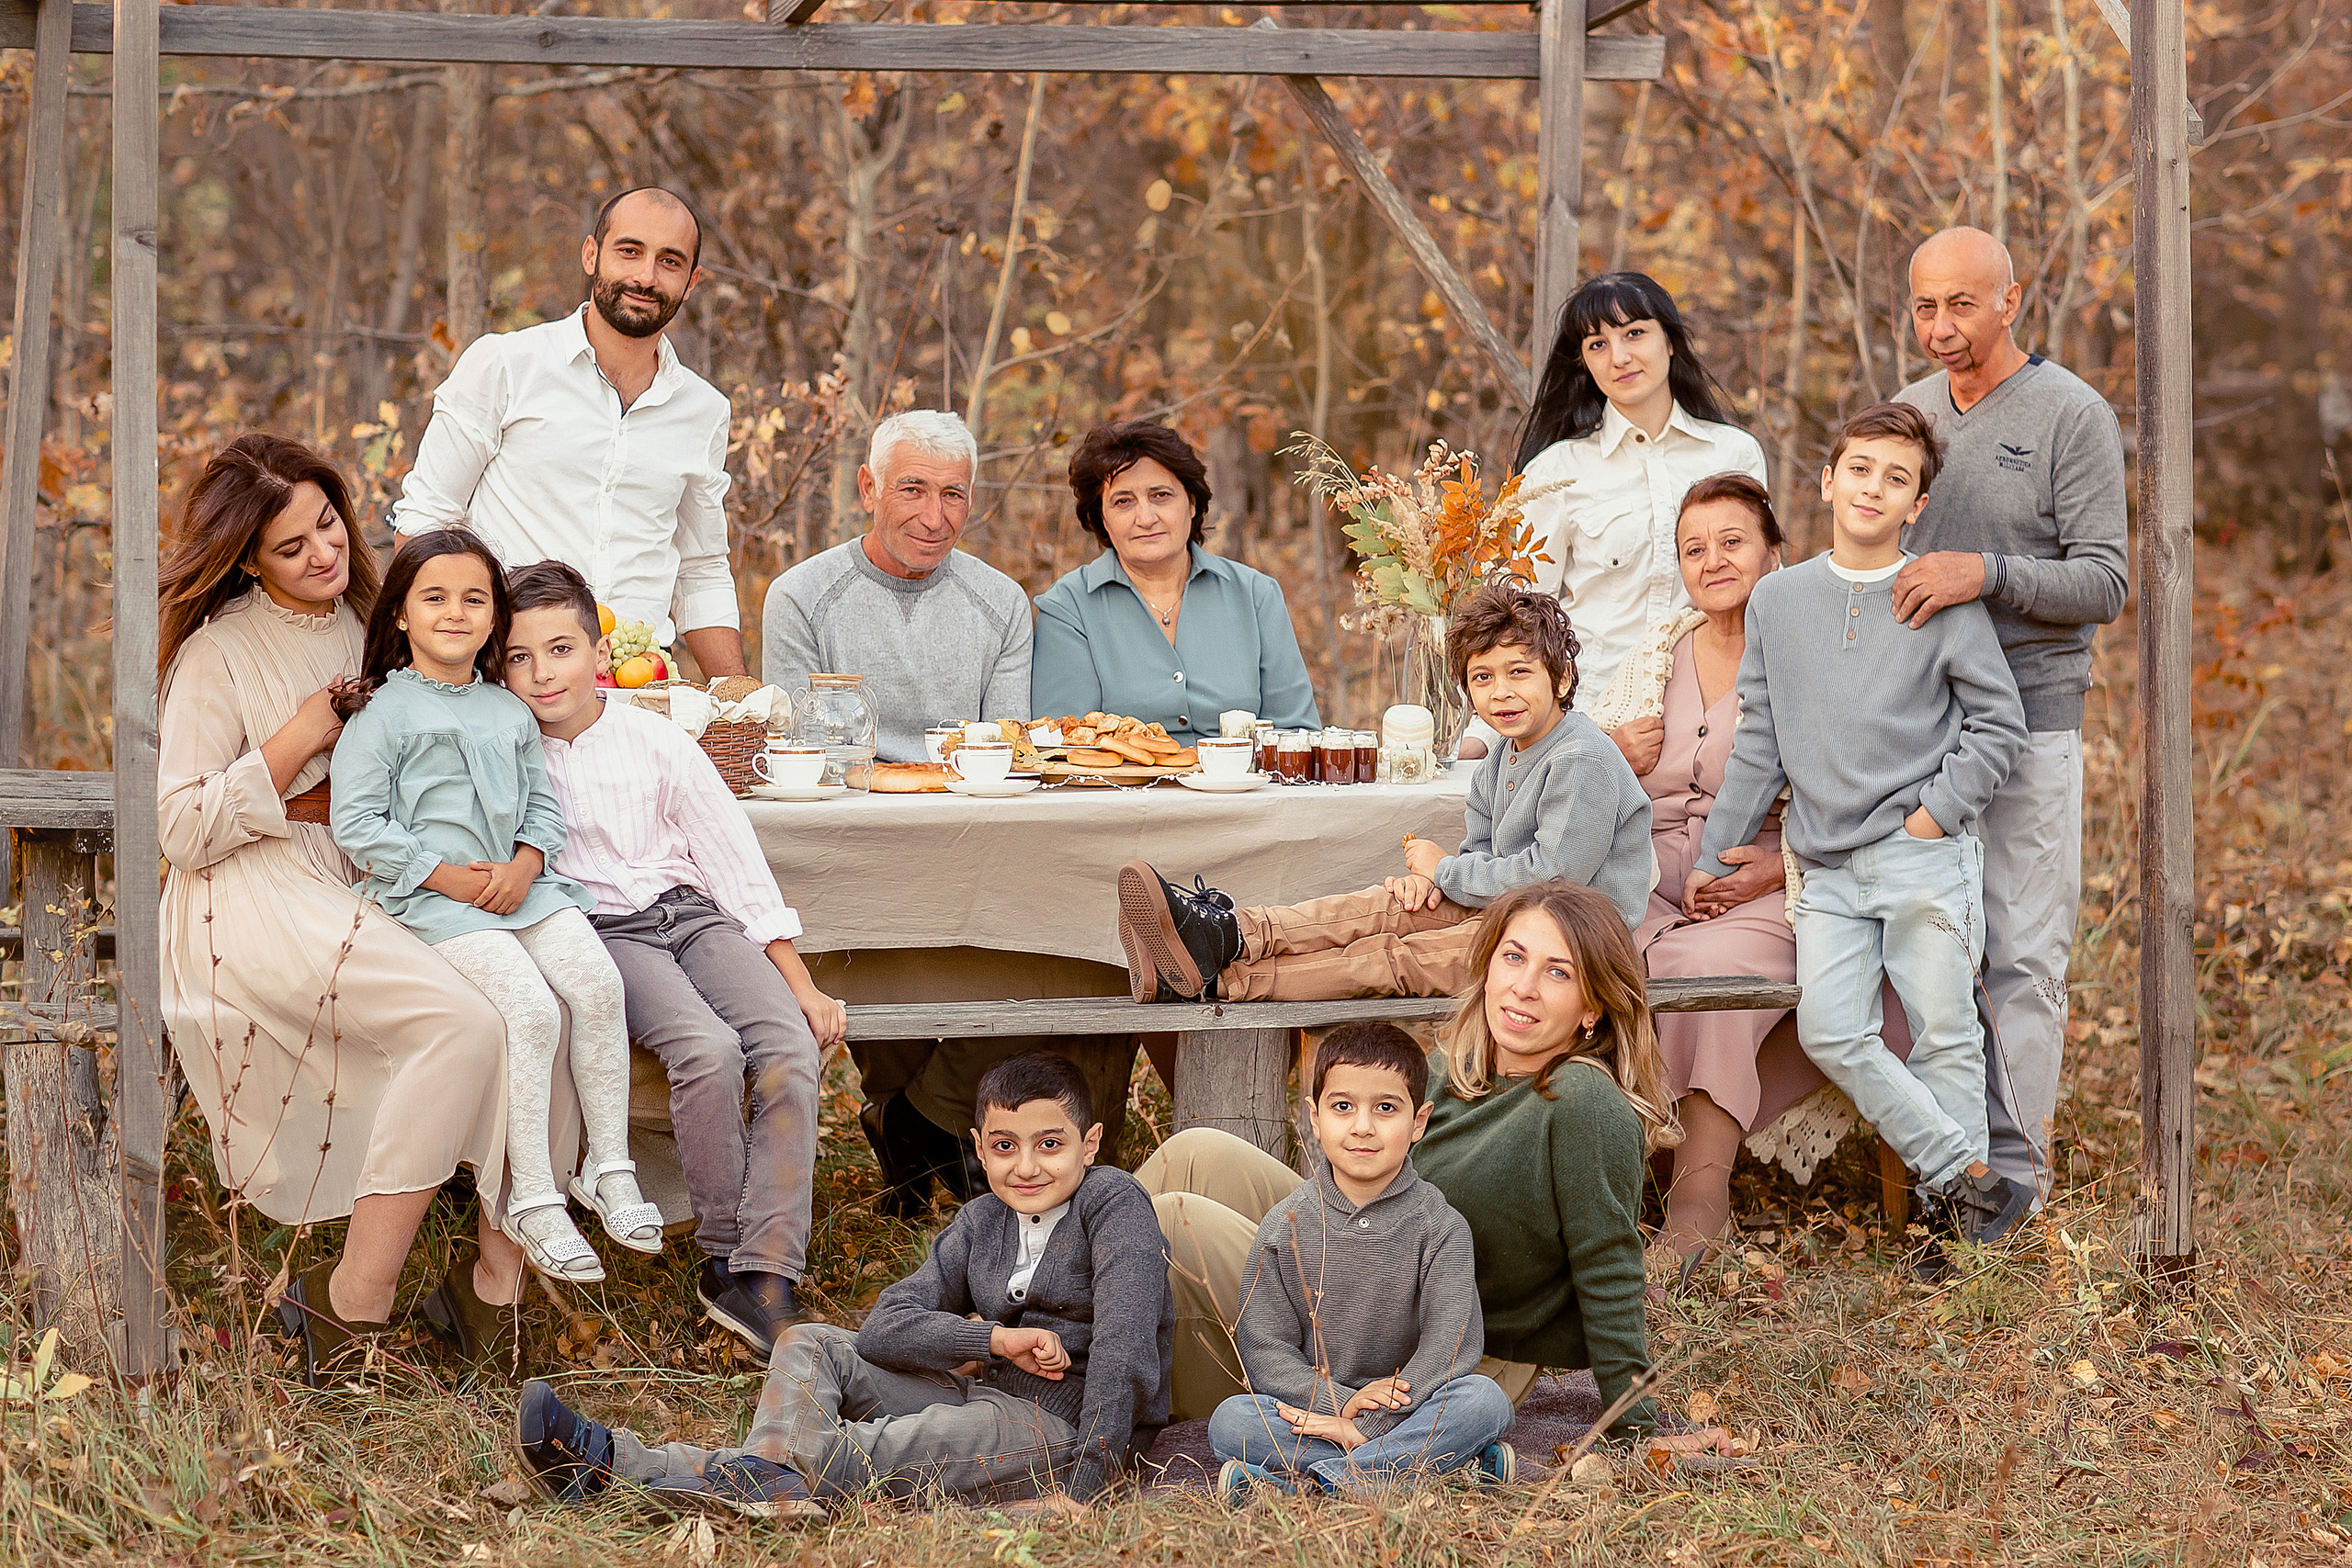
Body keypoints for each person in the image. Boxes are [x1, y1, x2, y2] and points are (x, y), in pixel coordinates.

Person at [156, 434, 524, 1385]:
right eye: (291, 547)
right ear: (245, 559)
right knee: (459, 1024)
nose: (323, 553)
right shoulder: (217, 653)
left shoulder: (375, 615)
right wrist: (303, 734)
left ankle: (491, 1288)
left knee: (524, 1005)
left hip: (381, 876)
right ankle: (350, 1300)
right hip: (253, 893)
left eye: (328, 523)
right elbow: (183, 827)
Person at [514, 1052, 1174, 1517]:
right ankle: (769, 1480)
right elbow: (886, 1326)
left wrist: (1087, 1488)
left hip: (1057, 1424)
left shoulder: (1113, 1202)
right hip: (985, 1387)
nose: (1025, 1165)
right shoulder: (982, 1219)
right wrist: (994, 1337)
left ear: (1090, 1143)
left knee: (853, 1453)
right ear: (977, 1143)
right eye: (1004, 1145)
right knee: (810, 1342)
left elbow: (1124, 1350)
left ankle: (612, 1464)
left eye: (1049, 1144)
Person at [1142, 881, 1675, 1442]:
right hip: (1362, 1265)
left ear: (1593, 1006)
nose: (1524, 987)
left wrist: (1635, 1423)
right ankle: (1051, 1312)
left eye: (1558, 972)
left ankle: (1088, 1384)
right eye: (1514, 958)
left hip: (1432, 1352)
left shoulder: (1582, 1104)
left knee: (1175, 1219)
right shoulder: (1462, 1065)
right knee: (1193, 1155)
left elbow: (1610, 1265)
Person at [1687, 402, 2032, 1266]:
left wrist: (1932, 815)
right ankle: (1967, 1176)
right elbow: (1761, 734)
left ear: (1916, 504)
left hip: (1922, 854)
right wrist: (1712, 849)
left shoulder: (1935, 598)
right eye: (1861, 469)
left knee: (1945, 1030)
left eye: (1898, 477)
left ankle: (1948, 1239)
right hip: (1826, 864)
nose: (1874, 488)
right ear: (1830, 480)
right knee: (1832, 1029)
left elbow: (1999, 726)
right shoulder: (1779, 598)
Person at [503, 559, 845, 1357]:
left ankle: (769, 1269)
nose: (543, 672)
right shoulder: (511, 755)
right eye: (519, 657)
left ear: (598, 650)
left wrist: (800, 981)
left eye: (560, 648)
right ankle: (725, 1254)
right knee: (707, 1048)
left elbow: (735, 865)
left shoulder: (658, 739)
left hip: (695, 916)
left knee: (789, 1044)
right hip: (607, 934)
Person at [330, 530, 660, 1285]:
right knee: (532, 1010)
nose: (456, 612)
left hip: (519, 888)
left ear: (493, 618)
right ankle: (532, 1196)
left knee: (598, 985)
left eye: (474, 599)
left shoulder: (507, 710)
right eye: (435, 597)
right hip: (435, 903)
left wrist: (524, 863)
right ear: (403, 615)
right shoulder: (385, 712)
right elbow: (357, 822)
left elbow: (543, 806)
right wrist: (445, 876)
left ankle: (608, 1167)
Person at [1891, 226, 2129, 1209]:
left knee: (2023, 953)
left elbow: (2104, 581)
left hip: (2030, 719)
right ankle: (1942, 1169)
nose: (1941, 328)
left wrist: (1981, 574)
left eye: (1961, 305)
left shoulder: (2071, 414)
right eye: (1923, 307)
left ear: (2010, 300)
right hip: (1915, 728)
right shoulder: (1904, 414)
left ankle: (2014, 1182)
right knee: (1929, 949)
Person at [1115, 582, 1651, 1005]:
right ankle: (1229, 936)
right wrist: (1439, 888)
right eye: (1482, 678)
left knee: (1398, 956)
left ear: (1560, 679)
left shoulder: (1581, 758)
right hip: (1510, 914)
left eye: (1519, 673)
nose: (1501, 692)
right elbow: (1485, 856)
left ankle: (1222, 984)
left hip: (1574, 944)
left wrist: (1445, 873)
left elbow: (1553, 879)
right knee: (1383, 907)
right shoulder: (1500, 756)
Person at [390, 187, 746, 677]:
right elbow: (426, 525)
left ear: (691, 282)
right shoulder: (506, 366)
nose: (645, 276)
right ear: (591, 255)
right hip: (507, 676)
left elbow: (701, 569)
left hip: (639, 689)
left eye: (669, 261)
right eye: (629, 251)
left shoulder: (704, 411)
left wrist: (742, 701)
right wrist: (440, 681)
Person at [1207, 1023, 1514, 1503]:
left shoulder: (1442, 1227)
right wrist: (1341, 1406)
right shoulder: (1284, 1226)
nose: (1363, 1126)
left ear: (1419, 1121)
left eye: (1386, 1108)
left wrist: (1369, 1423)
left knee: (1483, 1401)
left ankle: (1315, 1481)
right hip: (1314, 1411)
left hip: (1410, 1408)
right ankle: (1417, 1470)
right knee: (1232, 1421)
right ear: (1314, 1116)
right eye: (1343, 1106)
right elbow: (1265, 1348)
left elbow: (1450, 1346)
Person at [1501, 270, 1768, 762]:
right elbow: (1520, 615)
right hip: (1588, 716)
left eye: (1635, 333)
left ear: (1670, 341)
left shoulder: (1735, 455)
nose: (1619, 357)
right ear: (1583, 362)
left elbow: (1760, 594)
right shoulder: (1555, 471)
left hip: (1716, 710)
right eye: (1598, 344)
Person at [763, 409, 1031, 762]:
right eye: (912, 490)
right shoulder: (798, 598)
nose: (934, 519)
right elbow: (796, 759)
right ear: (869, 489)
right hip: (843, 812)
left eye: (952, 495)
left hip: (967, 811)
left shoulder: (1004, 603)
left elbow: (1004, 759)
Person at [1031, 419, 1319, 739]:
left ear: (1192, 503)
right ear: (1102, 518)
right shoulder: (1068, 607)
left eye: (1161, 495)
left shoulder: (1255, 595)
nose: (1146, 518)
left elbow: (1297, 733)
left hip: (1240, 787)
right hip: (1116, 789)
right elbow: (1066, 742)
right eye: (1123, 502)